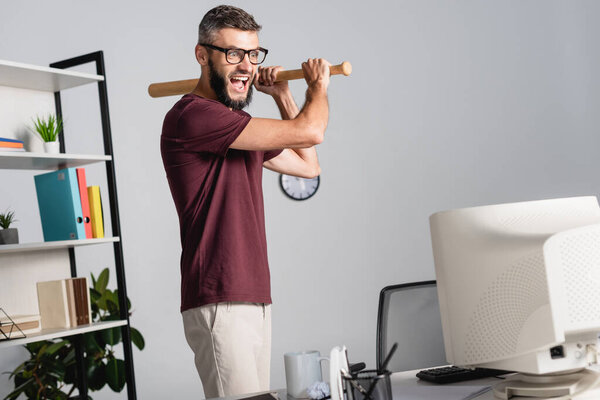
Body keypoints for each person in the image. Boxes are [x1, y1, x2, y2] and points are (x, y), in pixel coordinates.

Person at [160, 4, 330, 398]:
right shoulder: (193, 116)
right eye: (233, 53)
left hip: (252, 293)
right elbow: (313, 131)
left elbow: (309, 165)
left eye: (253, 55)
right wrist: (317, 87)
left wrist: (283, 94)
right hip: (219, 293)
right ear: (203, 55)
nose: (246, 67)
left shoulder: (238, 129)